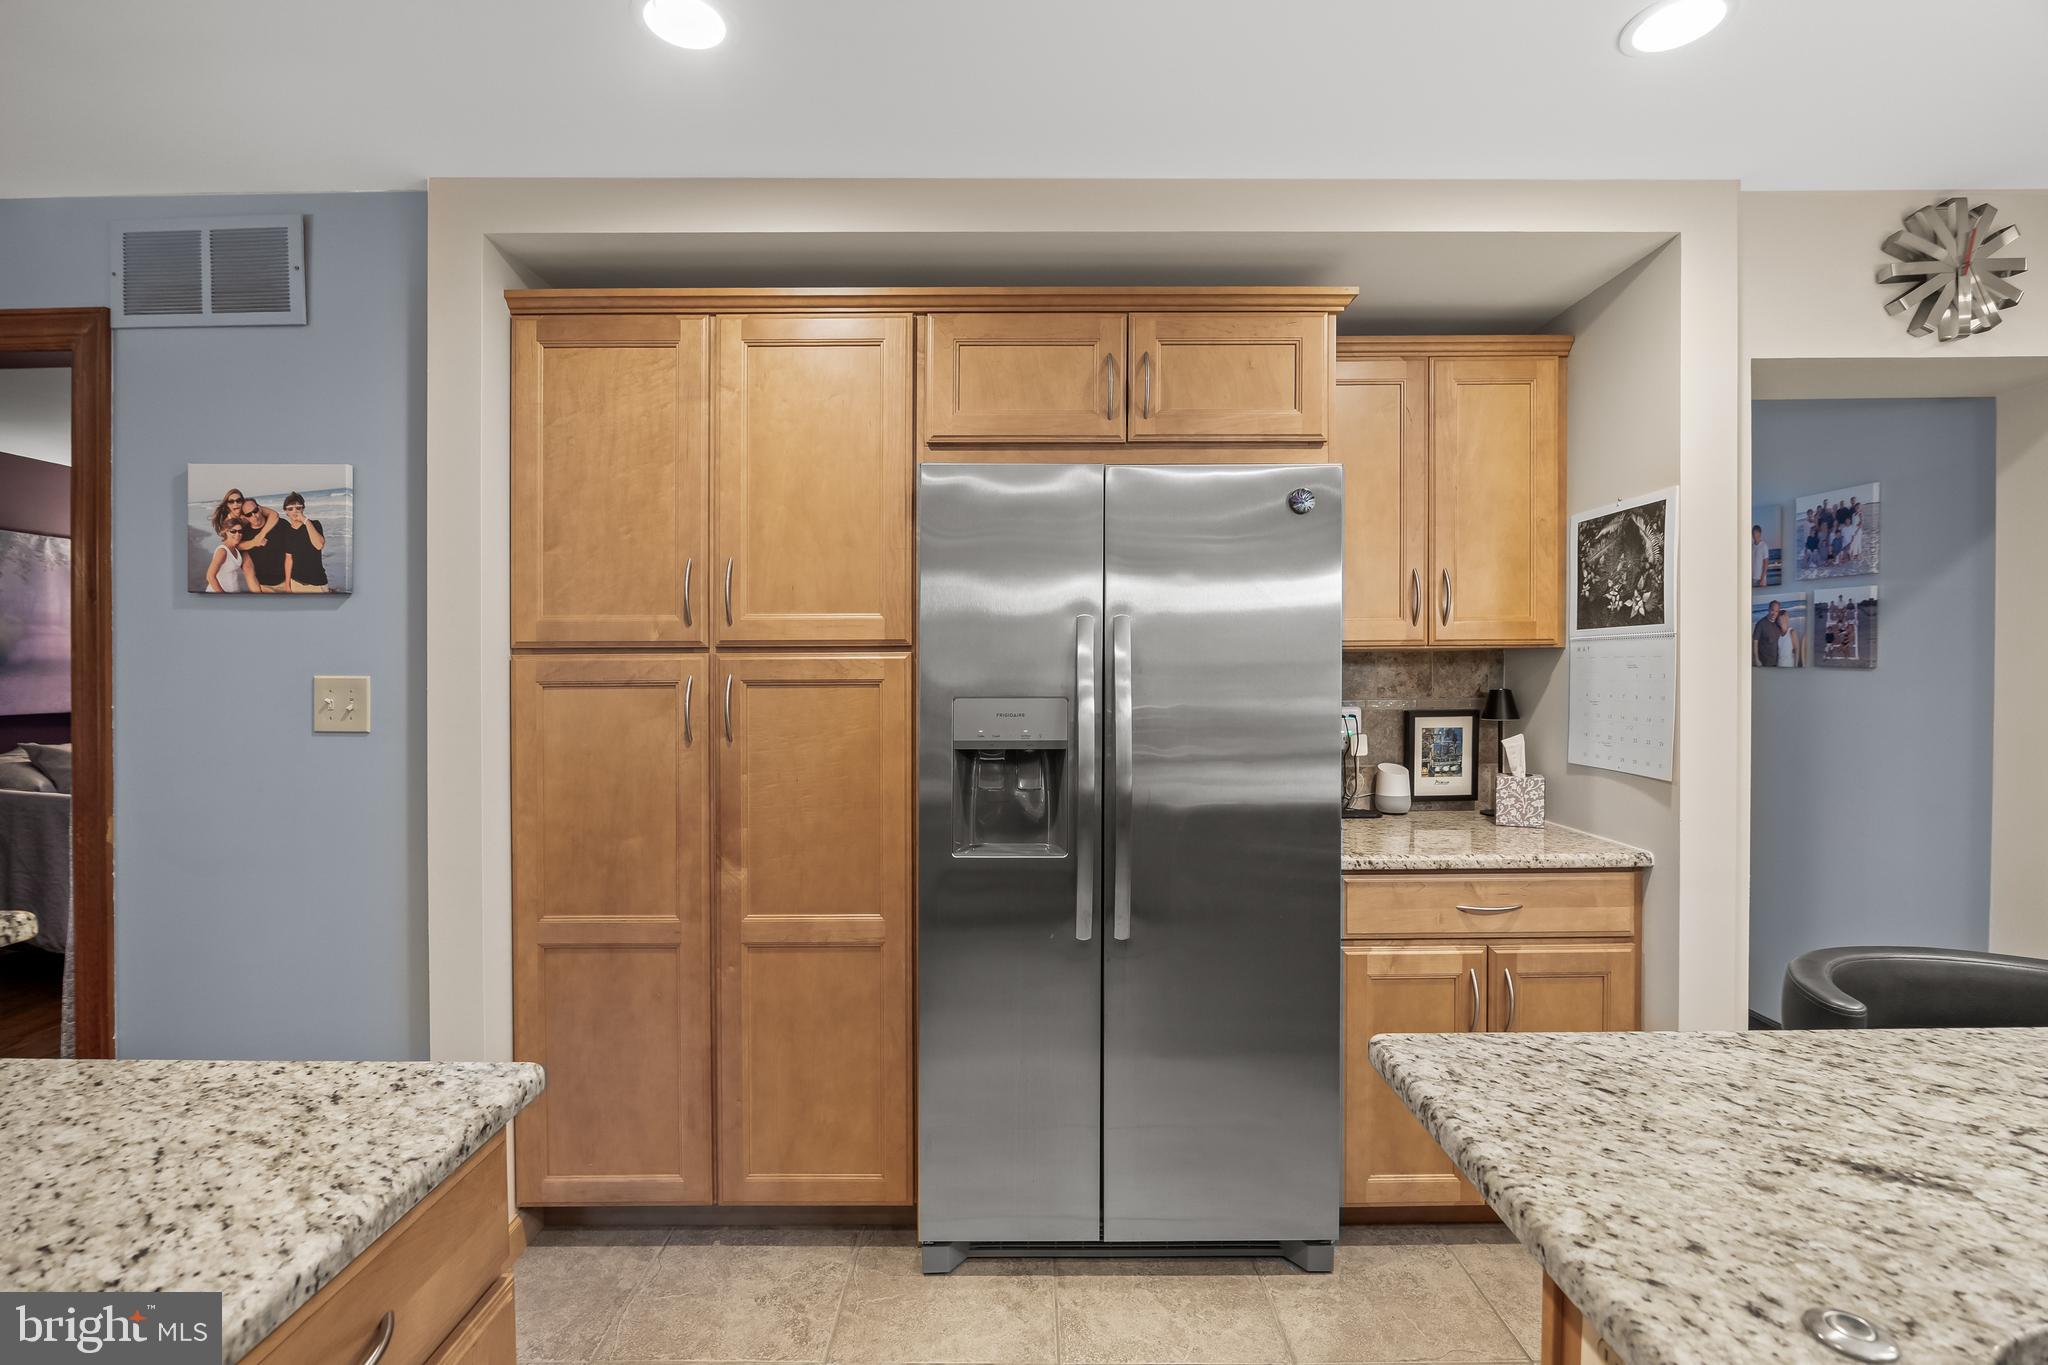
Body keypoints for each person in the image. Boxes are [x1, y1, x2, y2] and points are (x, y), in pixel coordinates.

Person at [275, 491, 329, 592]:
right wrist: (287, 584)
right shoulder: (287, 532)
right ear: (286, 512)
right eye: (290, 509)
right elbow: (288, 558)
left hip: (317, 583)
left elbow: (319, 545)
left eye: (298, 508)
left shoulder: (315, 524)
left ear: (303, 508)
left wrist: (305, 521)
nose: (295, 511)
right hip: (296, 583)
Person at [237, 495, 290, 592]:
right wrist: (254, 542)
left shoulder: (281, 524)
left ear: (260, 509)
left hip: (289, 582)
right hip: (265, 586)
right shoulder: (244, 534)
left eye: (255, 511)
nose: (254, 516)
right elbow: (235, 547)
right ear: (245, 517)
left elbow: (296, 549)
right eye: (249, 515)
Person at [204, 520, 253, 593]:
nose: (237, 534)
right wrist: (222, 595)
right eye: (233, 531)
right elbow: (210, 576)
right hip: (219, 594)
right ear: (225, 531)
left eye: (240, 531)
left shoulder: (236, 549)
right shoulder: (222, 551)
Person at [1753, 599, 1783, 666]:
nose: (1774, 613)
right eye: (1772, 610)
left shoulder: (1777, 623)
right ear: (1768, 609)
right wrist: (1756, 659)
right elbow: (1755, 642)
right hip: (1764, 662)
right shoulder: (1761, 624)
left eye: (1776, 611)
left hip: (1776, 662)